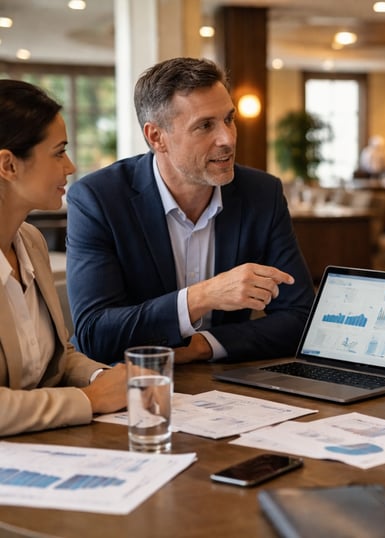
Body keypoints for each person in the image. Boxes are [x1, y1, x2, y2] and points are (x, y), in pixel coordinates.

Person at [66, 57, 315, 365]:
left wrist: (203, 345)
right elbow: (95, 335)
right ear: (157, 137)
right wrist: (204, 296)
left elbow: (301, 317)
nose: (228, 138)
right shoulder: (98, 199)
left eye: (228, 119)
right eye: (205, 126)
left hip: (228, 382)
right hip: (128, 385)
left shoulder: (262, 194)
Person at [0, 80, 126, 436]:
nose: (70, 166)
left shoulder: (30, 241)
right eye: (58, 152)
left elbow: (56, 356)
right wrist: (91, 399)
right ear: (8, 165)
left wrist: (106, 377)